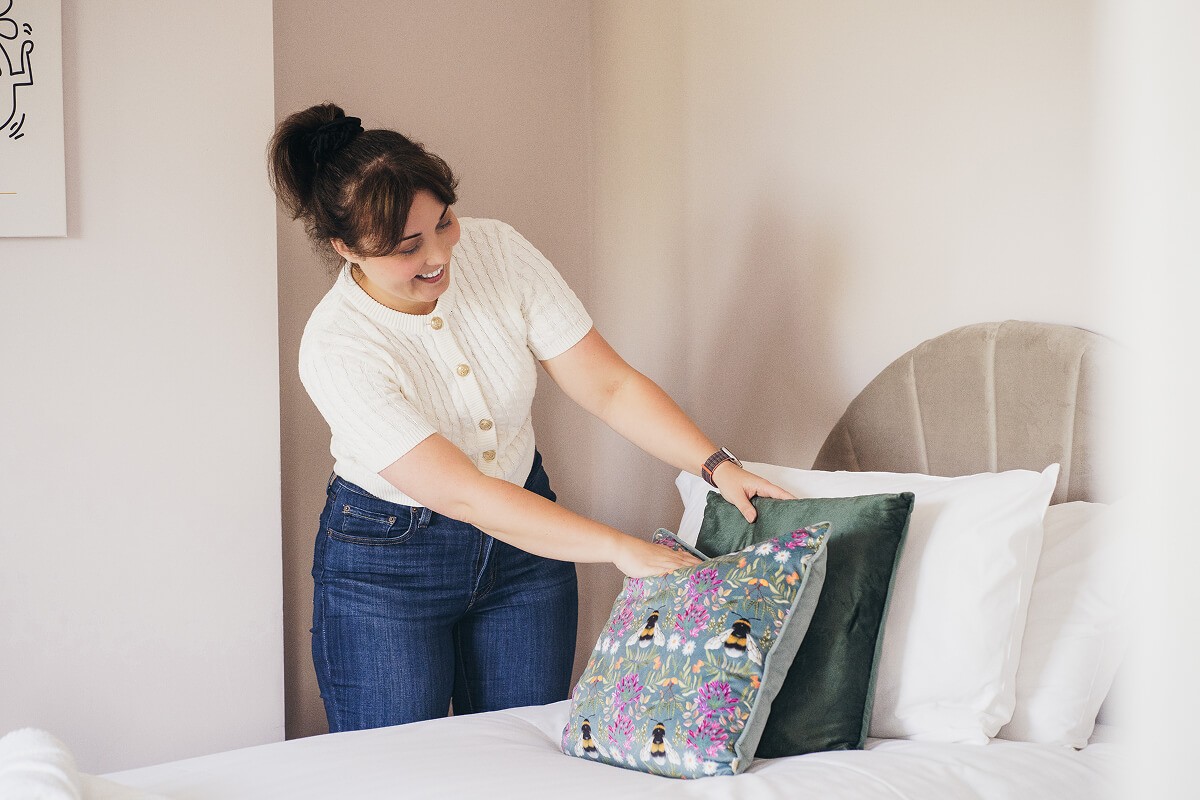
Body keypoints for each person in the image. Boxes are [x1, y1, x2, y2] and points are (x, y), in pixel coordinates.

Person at [267, 103, 793, 733]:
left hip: (523, 559)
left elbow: (609, 385)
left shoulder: (498, 251)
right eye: (408, 247)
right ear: (346, 248)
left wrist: (716, 466)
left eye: (444, 223)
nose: (438, 255)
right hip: (388, 567)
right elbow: (465, 494)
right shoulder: (336, 346)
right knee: (400, 778)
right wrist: (617, 547)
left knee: (523, 760)